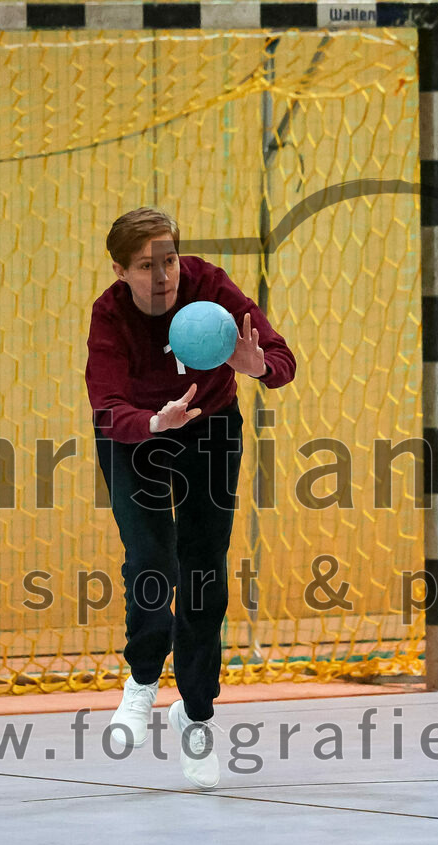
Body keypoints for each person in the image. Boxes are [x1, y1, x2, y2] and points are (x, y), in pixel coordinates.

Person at [85, 207, 296, 788]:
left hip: (210, 429)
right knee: (151, 560)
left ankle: (196, 715)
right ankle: (141, 682)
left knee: (204, 570)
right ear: (120, 271)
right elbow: (106, 405)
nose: (162, 276)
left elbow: (282, 361)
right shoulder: (111, 315)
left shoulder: (210, 287)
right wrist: (155, 422)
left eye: (169, 260)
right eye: (144, 266)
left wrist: (258, 366)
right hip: (139, 435)